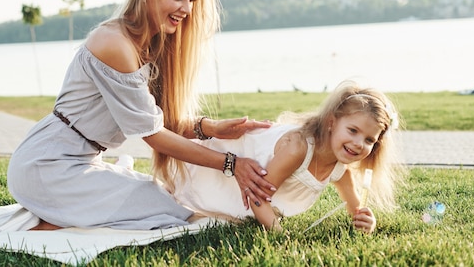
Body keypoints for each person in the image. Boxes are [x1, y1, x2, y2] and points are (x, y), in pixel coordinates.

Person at [7, 0, 275, 231]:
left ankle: (65, 214)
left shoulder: (148, 46)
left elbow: (158, 122)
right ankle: (55, 220)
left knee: (170, 201)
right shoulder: (115, 44)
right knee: (172, 211)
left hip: (77, 163)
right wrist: (232, 164)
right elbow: (155, 136)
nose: (187, 9)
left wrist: (211, 128)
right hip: (47, 166)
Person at [173, 80, 405, 233]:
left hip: (249, 191)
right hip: (225, 165)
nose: (358, 144)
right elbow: (257, 197)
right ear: (332, 123)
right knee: (186, 195)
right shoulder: (298, 149)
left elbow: (357, 208)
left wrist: (366, 220)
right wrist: (279, 235)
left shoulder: (340, 169)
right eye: (353, 131)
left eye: (368, 140)